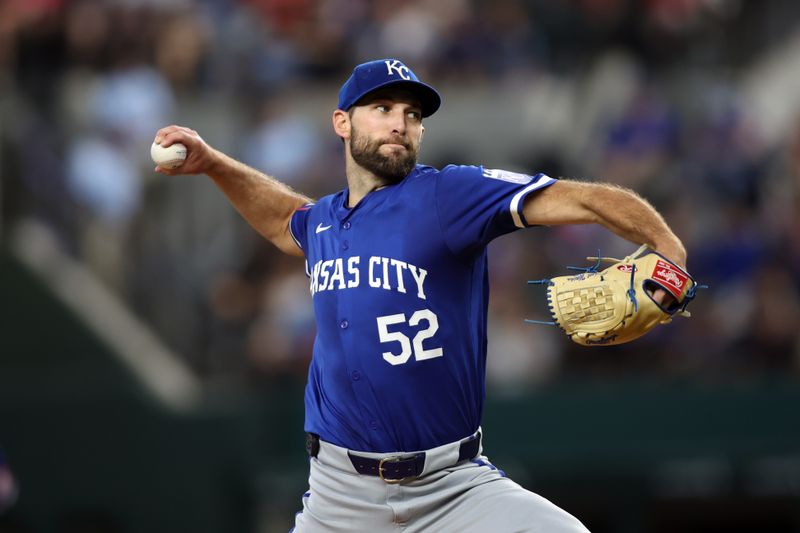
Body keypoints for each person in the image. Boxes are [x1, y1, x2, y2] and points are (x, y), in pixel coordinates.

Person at [153, 58, 686, 533]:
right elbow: (282, 221)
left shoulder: (447, 195)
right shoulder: (325, 223)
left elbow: (582, 199)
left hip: (452, 490)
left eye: (411, 114)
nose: (399, 123)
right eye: (382, 107)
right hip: (338, 499)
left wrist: (665, 246)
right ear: (342, 123)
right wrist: (215, 164)